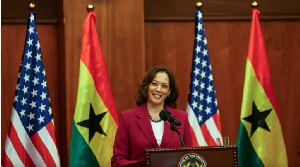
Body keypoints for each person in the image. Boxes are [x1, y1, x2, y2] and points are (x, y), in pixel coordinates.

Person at [111, 66, 193, 167]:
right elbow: (117, 160)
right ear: (147, 86)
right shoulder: (128, 118)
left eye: (164, 86)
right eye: (154, 84)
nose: (158, 89)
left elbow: (190, 157)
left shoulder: (181, 118)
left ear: (169, 92)